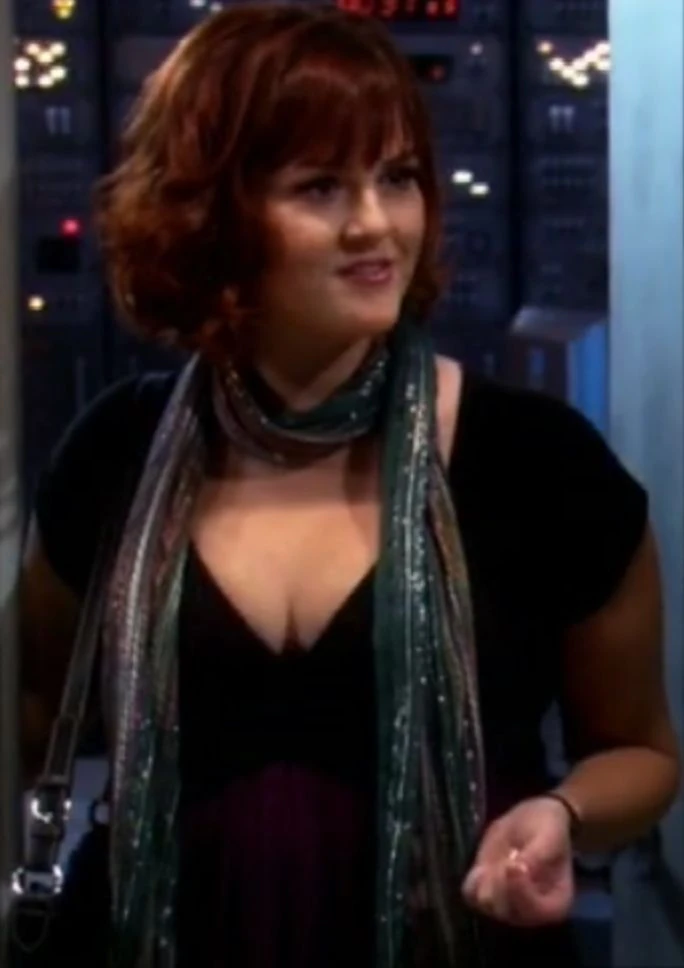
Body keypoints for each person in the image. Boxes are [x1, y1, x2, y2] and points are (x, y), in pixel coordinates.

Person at [19, 4, 680, 967]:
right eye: (320, 186)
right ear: (215, 214)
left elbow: (642, 753)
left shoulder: (540, 463)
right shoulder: (115, 451)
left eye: (398, 177)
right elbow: (30, 717)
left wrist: (561, 812)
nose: (375, 224)